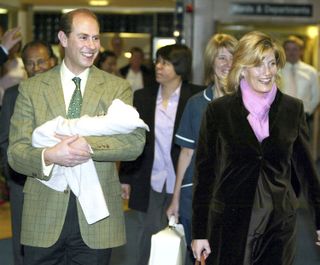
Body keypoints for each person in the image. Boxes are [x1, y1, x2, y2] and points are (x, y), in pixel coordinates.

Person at [7, 8, 146, 265]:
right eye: (83, 37)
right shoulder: (32, 89)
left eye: (95, 38)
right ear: (62, 38)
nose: (91, 46)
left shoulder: (117, 87)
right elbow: (16, 153)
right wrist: (49, 155)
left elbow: (134, 143)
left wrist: (86, 146)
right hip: (43, 217)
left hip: (96, 219)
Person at [191, 31, 320, 265]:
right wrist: (199, 232)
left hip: (278, 226)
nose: (268, 72)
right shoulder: (219, 111)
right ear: (242, 67)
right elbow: (205, 174)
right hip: (231, 221)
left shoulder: (293, 109)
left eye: (272, 63)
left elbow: (306, 171)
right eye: (259, 65)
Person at [119, 44, 204, 265]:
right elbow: (133, 139)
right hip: (151, 178)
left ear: (180, 66)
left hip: (185, 181)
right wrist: (125, 178)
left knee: (185, 238)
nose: (158, 66)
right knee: (148, 237)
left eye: (165, 63)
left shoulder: (195, 98)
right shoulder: (143, 97)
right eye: (157, 61)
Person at [166, 33, 237, 264]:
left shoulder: (249, 104)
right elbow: (185, 153)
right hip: (194, 195)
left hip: (234, 196)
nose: (227, 64)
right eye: (221, 58)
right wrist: (175, 199)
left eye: (232, 58)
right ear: (211, 63)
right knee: (197, 258)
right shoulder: (196, 103)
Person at [0, 40, 56, 265]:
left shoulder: (68, 93)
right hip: (21, 181)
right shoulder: (13, 94)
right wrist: (11, 171)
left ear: (52, 62)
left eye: (41, 62)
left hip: (58, 180)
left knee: (55, 241)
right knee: (22, 244)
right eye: (30, 63)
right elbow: (3, 138)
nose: (36, 68)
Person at [281, 35, 320, 124]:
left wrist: (308, 112)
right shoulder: (276, 71)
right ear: (283, 51)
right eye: (288, 49)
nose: (291, 52)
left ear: (301, 51)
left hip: (304, 117)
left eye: (295, 49)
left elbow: (316, 96)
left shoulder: (311, 72)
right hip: (281, 117)